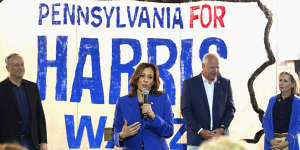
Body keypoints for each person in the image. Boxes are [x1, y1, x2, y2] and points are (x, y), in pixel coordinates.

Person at [113, 62, 174, 150]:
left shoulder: (163, 98)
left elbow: (169, 131)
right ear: (136, 78)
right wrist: (121, 135)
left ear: (153, 82)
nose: (145, 80)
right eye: (142, 75)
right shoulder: (122, 101)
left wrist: (153, 116)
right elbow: (113, 133)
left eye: (150, 77)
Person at [180, 53, 235, 149]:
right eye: (212, 67)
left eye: (217, 67)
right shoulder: (190, 84)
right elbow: (186, 110)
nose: (215, 71)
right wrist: (200, 130)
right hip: (197, 142)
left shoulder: (225, 83)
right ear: (203, 66)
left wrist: (222, 129)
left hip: (221, 142)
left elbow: (230, 109)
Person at [0, 53, 48, 150]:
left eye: (22, 64)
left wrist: (43, 141)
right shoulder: (1, 89)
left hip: (32, 143)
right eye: (17, 65)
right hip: (10, 144)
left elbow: (40, 116)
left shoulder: (32, 87)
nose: (21, 68)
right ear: (7, 68)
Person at [263, 71, 300, 150]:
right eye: (280, 80)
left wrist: (287, 142)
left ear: (292, 84)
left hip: (289, 143)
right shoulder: (272, 100)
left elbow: (298, 124)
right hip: (272, 142)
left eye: (285, 81)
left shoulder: (298, 102)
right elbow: (265, 120)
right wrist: (271, 139)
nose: (281, 83)